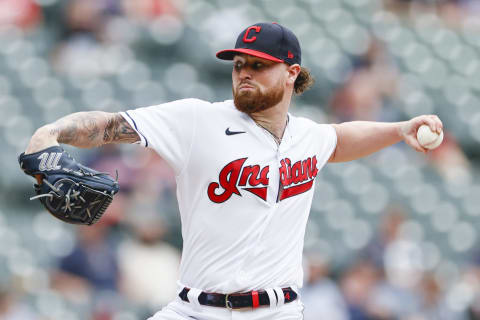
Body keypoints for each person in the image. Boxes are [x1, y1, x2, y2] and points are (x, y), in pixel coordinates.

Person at [23, 22, 443, 320]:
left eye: (258, 65)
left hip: (278, 311)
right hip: (194, 309)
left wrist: (399, 128)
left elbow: (341, 137)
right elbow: (110, 126)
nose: (244, 72)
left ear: (291, 73)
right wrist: (52, 130)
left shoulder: (307, 136)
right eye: (239, 63)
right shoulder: (197, 120)